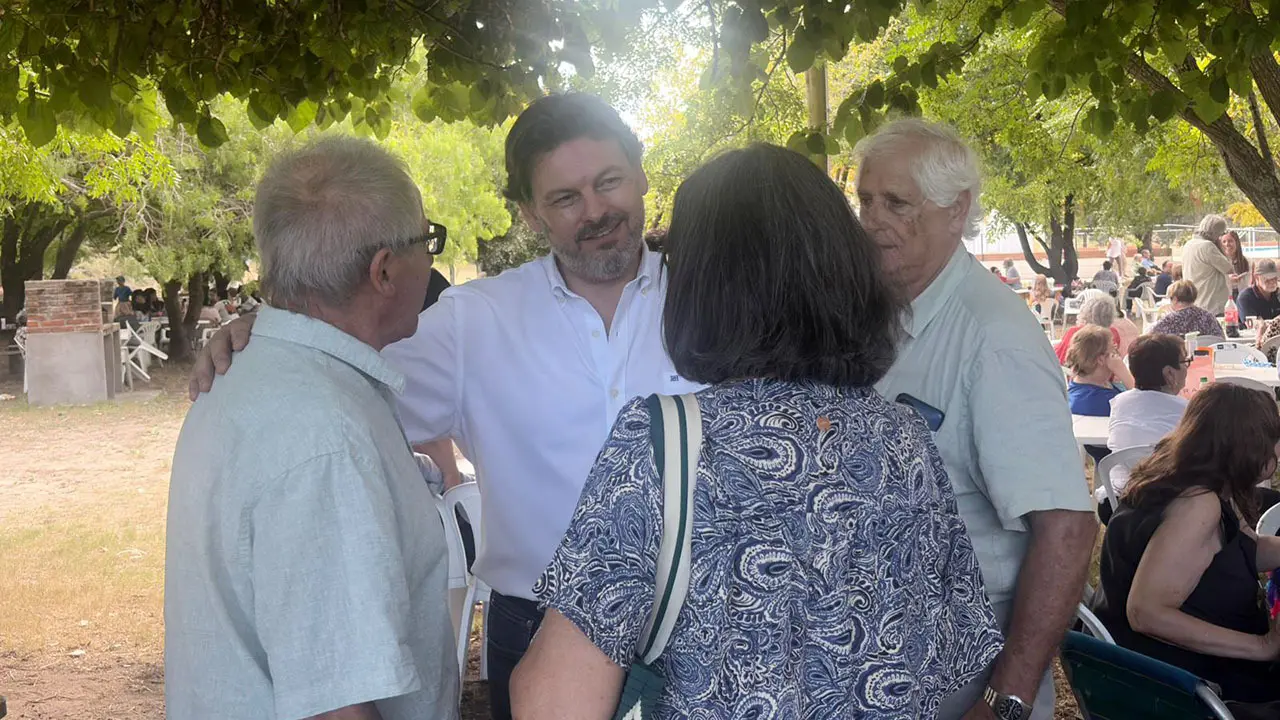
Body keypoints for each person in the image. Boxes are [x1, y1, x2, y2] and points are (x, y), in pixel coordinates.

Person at [190, 93, 702, 719]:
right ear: (529, 214)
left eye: (609, 181)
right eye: (566, 198)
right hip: (540, 632)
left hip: (702, 625)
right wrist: (268, 336)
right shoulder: (474, 322)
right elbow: (340, 377)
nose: (595, 211)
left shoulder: (720, 302)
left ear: (642, 173)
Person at [512, 144, 1003, 718]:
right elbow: (945, 658)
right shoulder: (906, 439)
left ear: (704, 285)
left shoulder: (663, 443)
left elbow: (554, 703)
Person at [164, 136, 459, 720]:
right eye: (426, 242)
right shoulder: (329, 436)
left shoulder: (257, 370)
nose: (430, 263)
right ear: (383, 271)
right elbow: (336, 706)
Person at [853, 118, 1097, 720]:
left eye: (896, 203)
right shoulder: (877, 313)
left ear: (956, 210)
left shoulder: (993, 339)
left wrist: (1005, 701)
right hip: (883, 665)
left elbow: (1067, 529)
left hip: (965, 681)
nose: (872, 220)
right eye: (865, 200)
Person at [1092, 383, 1280, 704]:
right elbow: (1145, 612)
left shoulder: (1189, 475)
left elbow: (1246, 550)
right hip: (1183, 684)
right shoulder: (1197, 505)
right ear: (1247, 448)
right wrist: (1263, 647)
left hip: (1171, 665)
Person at [1102, 334, 1190, 523]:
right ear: (1169, 373)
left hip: (1116, 502)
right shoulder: (1187, 410)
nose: (1187, 368)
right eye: (1185, 362)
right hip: (1169, 506)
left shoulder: (1119, 403)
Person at [1182, 214, 1242, 314]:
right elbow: (1229, 268)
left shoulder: (1189, 244)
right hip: (1212, 304)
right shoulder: (1208, 246)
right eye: (1222, 233)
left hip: (1195, 301)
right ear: (1217, 233)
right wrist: (1220, 246)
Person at [1066, 326, 1123, 416]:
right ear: (1101, 359)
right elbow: (1143, 405)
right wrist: (1123, 373)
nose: (1118, 355)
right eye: (1114, 350)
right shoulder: (1105, 400)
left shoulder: (1079, 384)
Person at [1150, 280, 1223, 338]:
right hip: (1206, 352)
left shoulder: (1169, 321)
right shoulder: (1208, 317)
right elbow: (1220, 338)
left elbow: (1150, 336)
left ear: (1175, 299)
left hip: (1178, 352)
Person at [1219, 229, 1252, 297]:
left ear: (1237, 243)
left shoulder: (1247, 262)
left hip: (1243, 296)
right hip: (1225, 297)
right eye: (1224, 242)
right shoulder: (1218, 262)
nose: (1227, 244)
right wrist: (1228, 279)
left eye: (1230, 241)